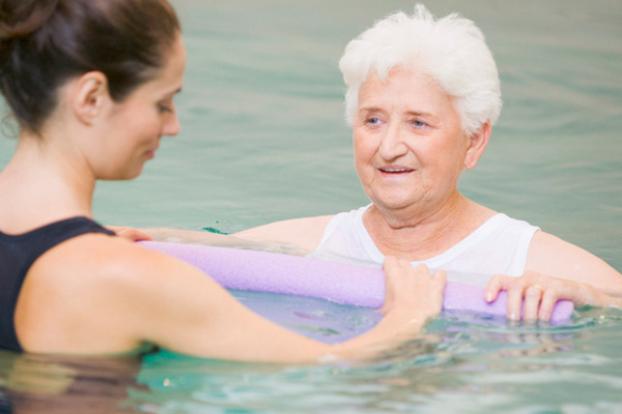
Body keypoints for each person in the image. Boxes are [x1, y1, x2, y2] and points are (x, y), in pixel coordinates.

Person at [0, 0, 448, 362]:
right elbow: (331, 360)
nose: (173, 125)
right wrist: (406, 319)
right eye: (162, 102)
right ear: (92, 97)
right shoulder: (129, 277)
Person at [143, 5, 622, 321]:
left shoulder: (529, 261)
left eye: (418, 123)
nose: (389, 147)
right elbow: (206, 251)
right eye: (373, 120)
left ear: (474, 142)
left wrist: (592, 299)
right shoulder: (314, 244)